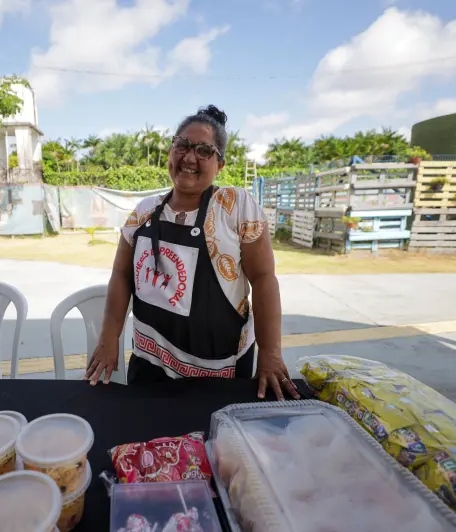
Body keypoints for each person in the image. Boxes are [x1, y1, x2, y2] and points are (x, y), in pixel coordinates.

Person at [85, 105, 299, 400]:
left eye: (203, 150)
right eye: (182, 145)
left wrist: (271, 353)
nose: (189, 157)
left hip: (218, 369)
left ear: (220, 164)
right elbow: (121, 274)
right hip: (150, 364)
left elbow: (263, 279)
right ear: (171, 151)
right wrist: (109, 338)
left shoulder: (234, 206)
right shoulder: (144, 211)